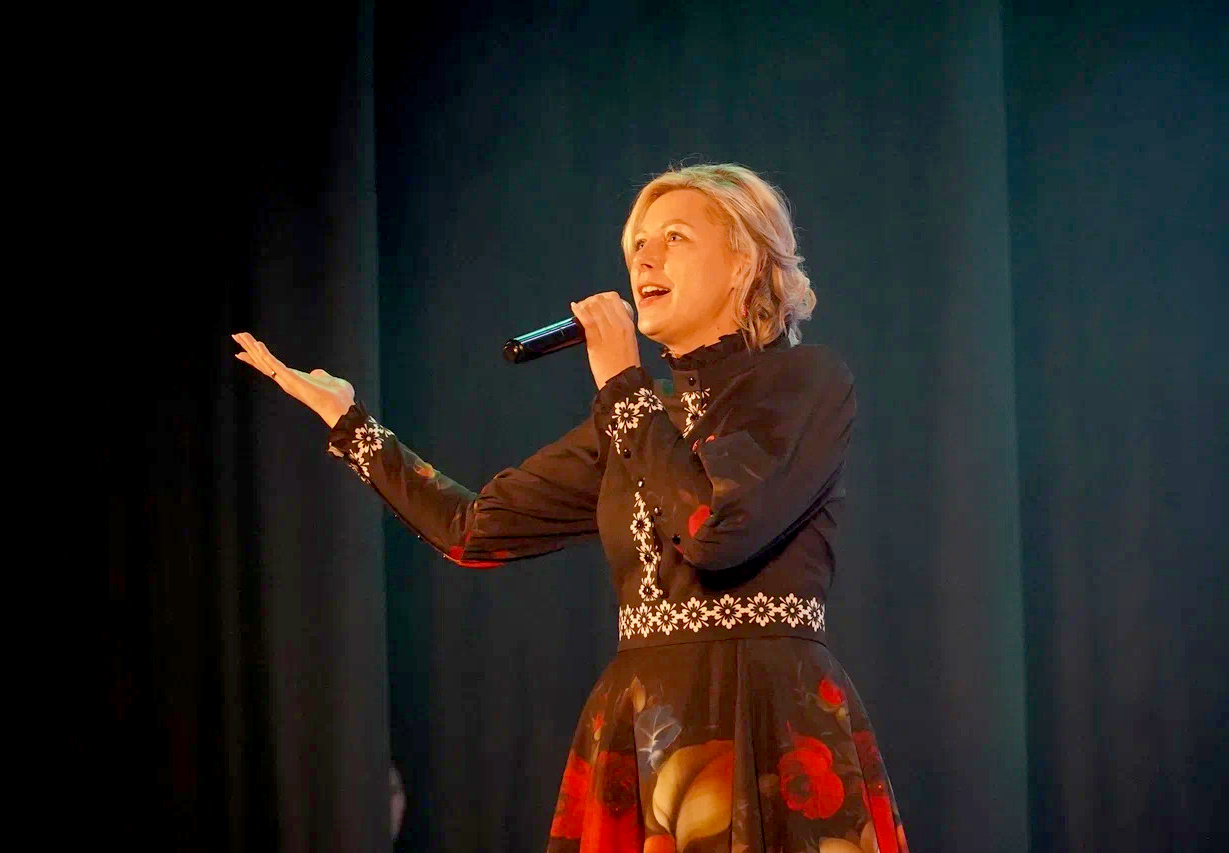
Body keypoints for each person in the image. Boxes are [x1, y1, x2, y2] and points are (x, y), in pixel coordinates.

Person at [233, 163, 909, 853]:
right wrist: (351, 425)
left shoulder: (803, 383)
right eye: (637, 243)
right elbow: (475, 530)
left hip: (766, 717)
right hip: (648, 723)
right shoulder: (636, 415)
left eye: (674, 237)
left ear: (744, 264)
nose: (644, 258)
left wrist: (622, 384)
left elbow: (717, 531)